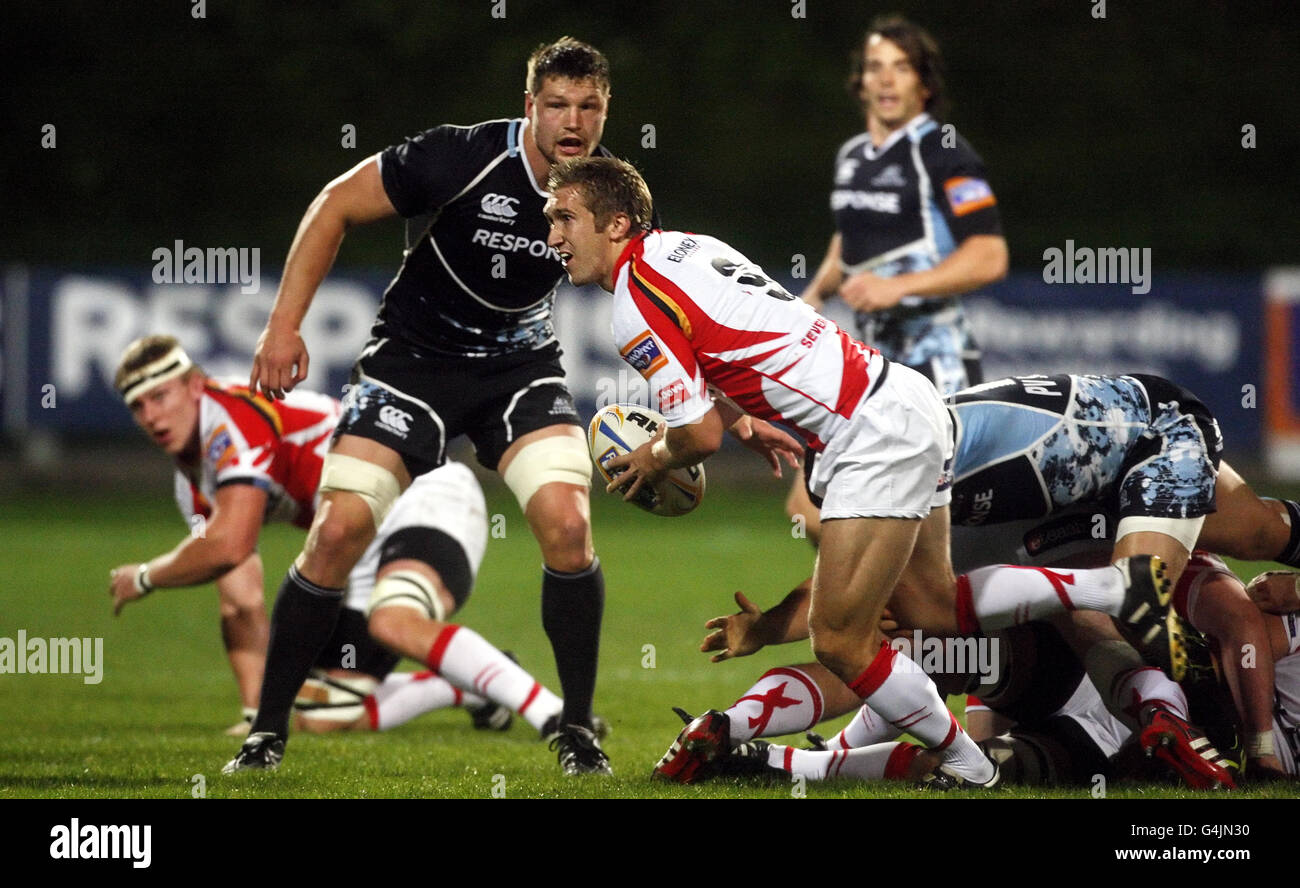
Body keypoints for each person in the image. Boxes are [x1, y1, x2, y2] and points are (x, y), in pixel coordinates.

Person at [542, 157, 1171, 788]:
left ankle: (968, 765)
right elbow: (729, 347)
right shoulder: (688, 248)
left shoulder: (632, 301)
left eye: (565, 217)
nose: (553, 236)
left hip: (869, 432)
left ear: (617, 222)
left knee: (840, 639)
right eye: (550, 220)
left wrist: (655, 457)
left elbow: (694, 435)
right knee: (931, 605)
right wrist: (742, 420)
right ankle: (1118, 589)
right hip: (901, 398)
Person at [230, 38, 629, 775]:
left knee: (569, 526)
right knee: (338, 531)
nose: (573, 121)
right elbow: (334, 206)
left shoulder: (612, 193)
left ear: (606, 112)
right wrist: (283, 326)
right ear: (530, 109)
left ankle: (576, 732)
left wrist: (719, 410)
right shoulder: (459, 156)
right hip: (413, 363)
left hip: (518, 366)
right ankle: (268, 733)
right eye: (558, 105)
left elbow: (651, 298)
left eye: (590, 106)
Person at [109, 336, 566, 750]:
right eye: (137, 407)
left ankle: (560, 717)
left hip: (420, 494)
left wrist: (146, 577)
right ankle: (470, 685)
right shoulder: (190, 481)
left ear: (193, 386)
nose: (151, 416)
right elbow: (240, 601)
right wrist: (255, 715)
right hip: (356, 543)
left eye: (159, 396)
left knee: (395, 620)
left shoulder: (232, 415)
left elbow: (229, 543)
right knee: (323, 712)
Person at [788, 15, 1008, 544]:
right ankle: (890, 620)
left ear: (924, 83)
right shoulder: (851, 157)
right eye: (875, 67)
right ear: (860, 80)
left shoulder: (944, 152)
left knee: (942, 534)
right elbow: (850, 237)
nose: (886, 79)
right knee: (812, 504)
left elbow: (989, 255)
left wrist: (898, 286)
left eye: (901, 68)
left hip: (936, 363)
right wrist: (814, 296)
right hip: (871, 360)